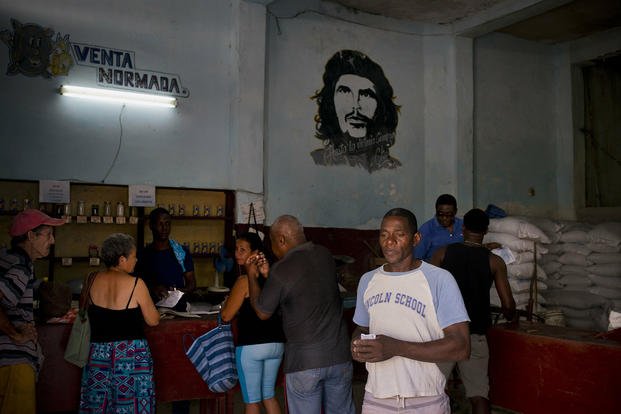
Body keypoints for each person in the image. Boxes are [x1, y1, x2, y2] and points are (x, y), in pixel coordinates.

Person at [351, 207, 470, 414]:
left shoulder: (439, 280)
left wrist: (395, 347)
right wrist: (357, 345)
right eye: (384, 234)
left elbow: (461, 346)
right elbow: (360, 327)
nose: (390, 241)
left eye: (399, 234)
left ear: (415, 239)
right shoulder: (368, 280)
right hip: (376, 399)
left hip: (425, 400)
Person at [245, 215, 355, 414]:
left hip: (304, 364)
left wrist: (252, 277)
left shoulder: (282, 269)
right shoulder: (324, 255)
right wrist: (271, 276)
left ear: (281, 240)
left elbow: (262, 311)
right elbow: (302, 287)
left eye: (272, 243)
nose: (272, 249)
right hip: (340, 357)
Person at [430, 208, 516, 414]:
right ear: (485, 231)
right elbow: (508, 305)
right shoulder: (494, 261)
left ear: (463, 228)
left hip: (445, 332)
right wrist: (510, 316)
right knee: (479, 395)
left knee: (431, 390)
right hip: (474, 333)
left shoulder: (442, 253)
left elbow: (427, 292)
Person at [79, 233, 160, 412]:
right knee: (132, 406)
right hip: (131, 356)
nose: (136, 260)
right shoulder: (136, 284)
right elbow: (153, 321)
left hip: (98, 356)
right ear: (122, 259)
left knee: (98, 404)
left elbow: (82, 310)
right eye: (133, 256)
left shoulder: (91, 279)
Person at [0, 209, 64, 413]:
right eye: (47, 235)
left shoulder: (9, 260)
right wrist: (15, 333)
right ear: (30, 236)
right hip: (14, 363)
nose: (52, 241)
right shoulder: (21, 266)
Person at [220, 232, 285, 414]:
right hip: (276, 344)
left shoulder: (243, 281)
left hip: (251, 347)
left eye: (243, 250)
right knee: (269, 396)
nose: (237, 254)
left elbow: (226, 316)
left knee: (251, 401)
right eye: (236, 249)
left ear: (255, 253)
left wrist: (225, 303)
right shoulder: (271, 276)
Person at [311, 49, 401, 173]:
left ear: (381, 107)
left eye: (366, 95)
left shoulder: (393, 169)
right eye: (345, 92)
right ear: (331, 104)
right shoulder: (316, 163)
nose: (355, 106)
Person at [135, 207, 196, 301]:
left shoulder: (181, 252)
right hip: (152, 308)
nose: (164, 228)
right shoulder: (143, 255)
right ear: (151, 226)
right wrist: (154, 289)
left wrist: (174, 292)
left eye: (167, 224)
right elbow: (136, 285)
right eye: (160, 224)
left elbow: (191, 285)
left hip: (178, 307)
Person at [414, 194, 464, 261]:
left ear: (455, 212)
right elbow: (417, 258)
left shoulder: (463, 226)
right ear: (436, 211)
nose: (444, 218)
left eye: (449, 214)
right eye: (440, 214)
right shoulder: (426, 230)